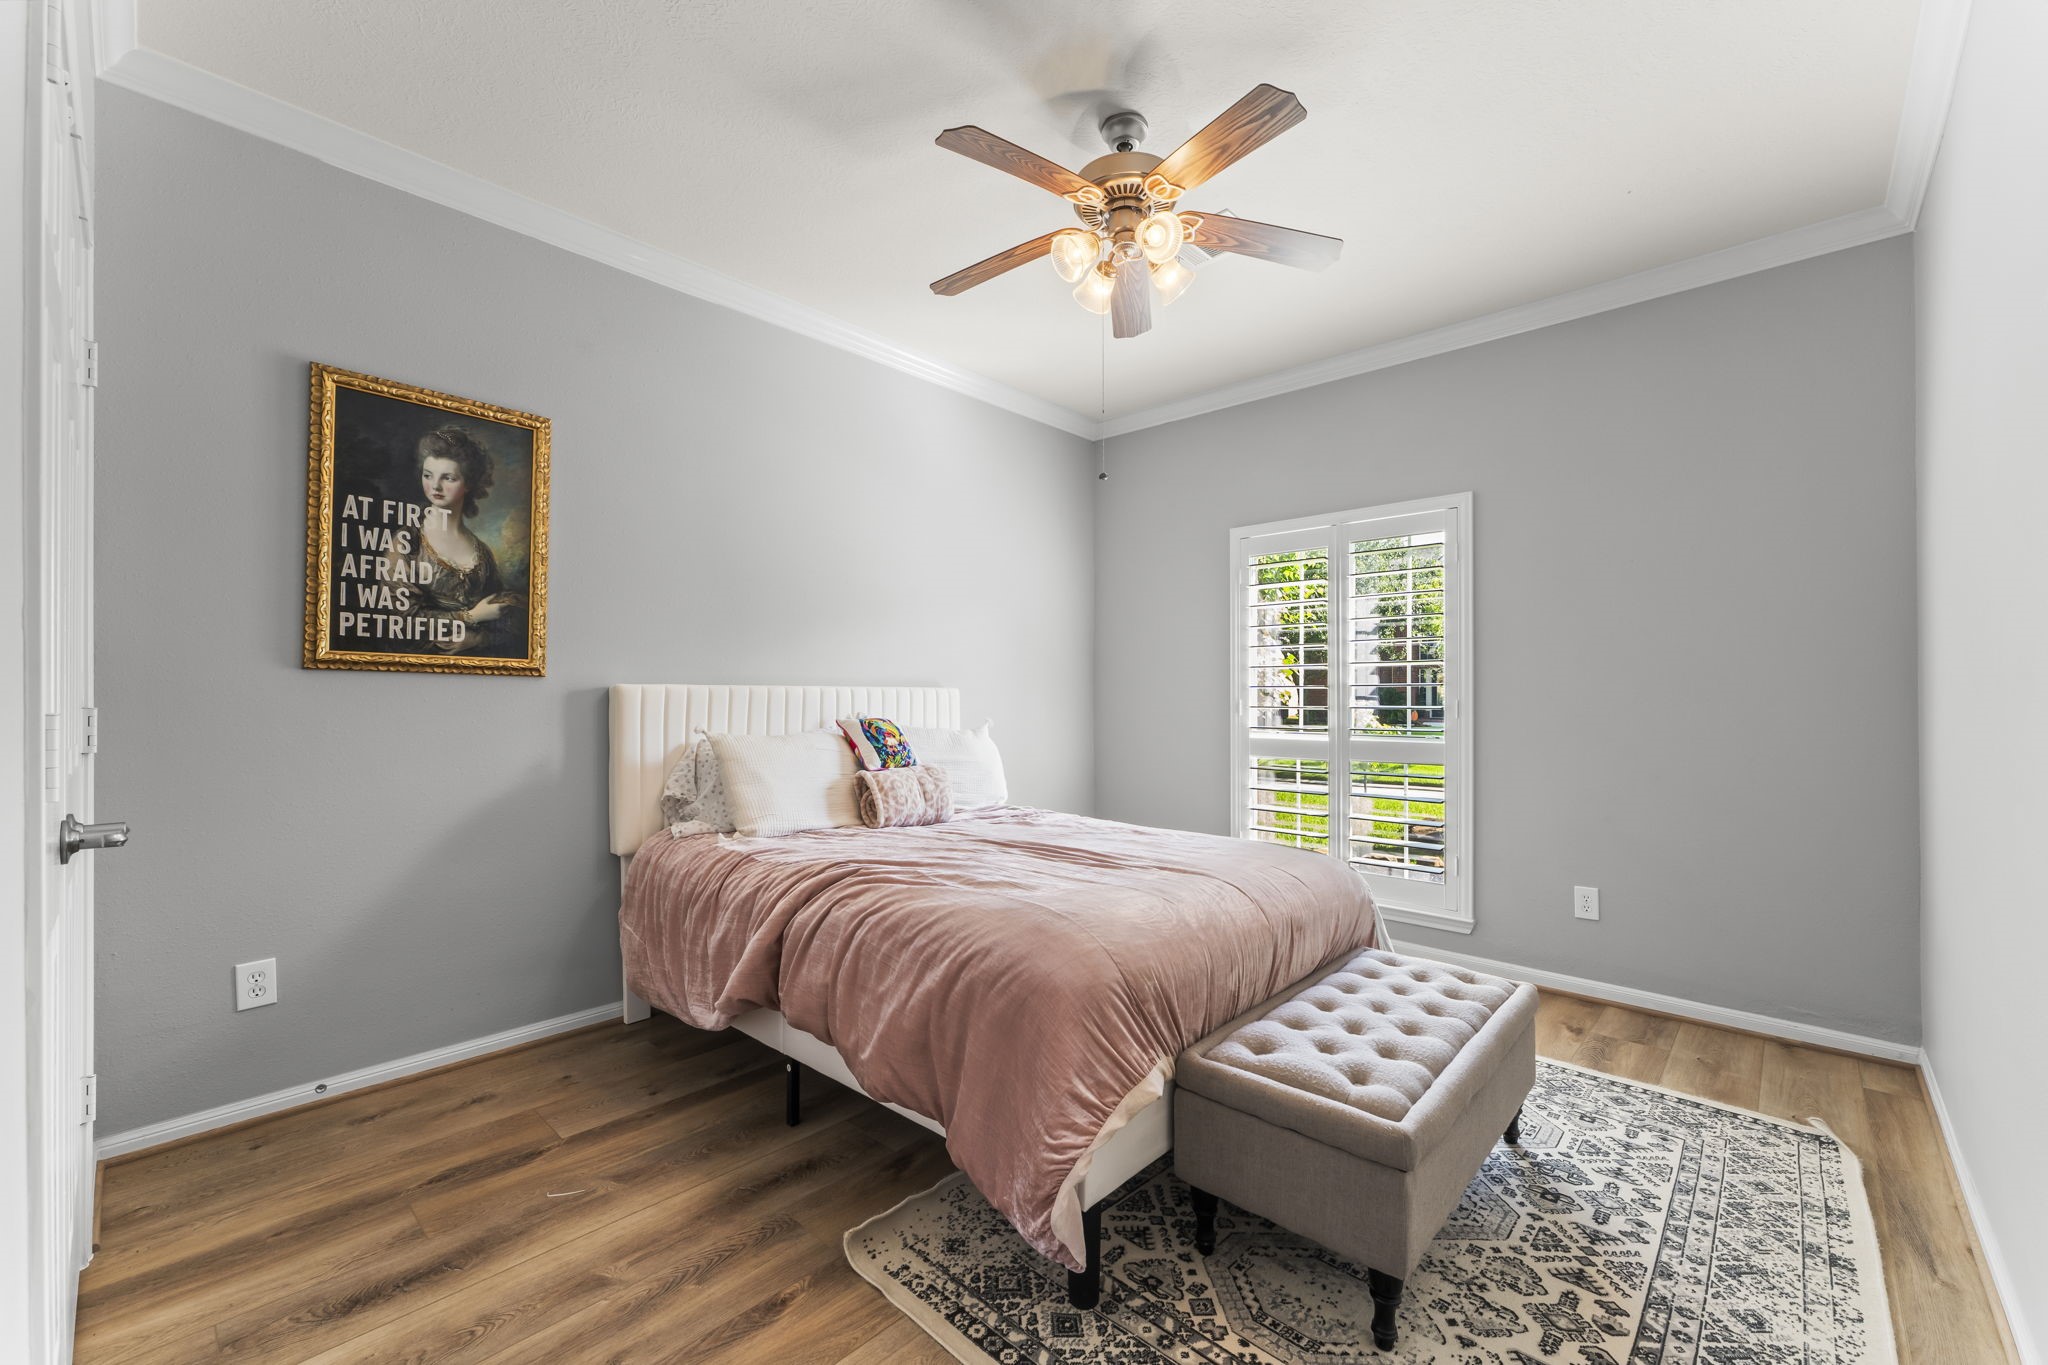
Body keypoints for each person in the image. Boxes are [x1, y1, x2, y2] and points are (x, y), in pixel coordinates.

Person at [384, 424, 525, 656]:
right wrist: (470, 616)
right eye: (428, 475)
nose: (435, 486)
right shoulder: (407, 541)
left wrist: (478, 640)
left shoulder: (482, 552)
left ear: (468, 483)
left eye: (448, 478)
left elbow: (503, 624)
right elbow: (401, 618)